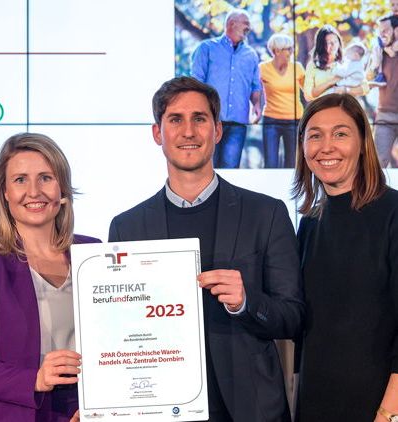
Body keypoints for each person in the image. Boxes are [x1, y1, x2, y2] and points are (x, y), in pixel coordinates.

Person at [108, 76, 304, 421]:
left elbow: (292, 318)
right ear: (157, 133)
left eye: (199, 119)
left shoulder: (266, 214)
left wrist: (246, 302)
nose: (188, 131)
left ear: (218, 131)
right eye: (175, 119)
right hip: (161, 409)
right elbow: (119, 330)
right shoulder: (127, 227)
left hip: (251, 409)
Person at [0, 133, 99, 421]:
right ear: (4, 192)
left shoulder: (93, 253)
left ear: (62, 187)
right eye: (20, 180)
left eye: (46, 178)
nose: (34, 191)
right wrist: (36, 379)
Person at [292, 93, 398, 421]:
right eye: (315, 136)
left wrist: (388, 412)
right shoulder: (310, 222)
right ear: (303, 147)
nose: (326, 147)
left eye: (340, 134)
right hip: (315, 404)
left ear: (363, 143)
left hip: (377, 407)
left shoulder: (393, 212)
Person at [191, 8, 262, 168]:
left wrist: (257, 104)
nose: (249, 28)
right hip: (210, 120)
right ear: (231, 23)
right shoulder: (206, 48)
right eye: (245, 23)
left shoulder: (251, 55)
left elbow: (255, 85)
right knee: (208, 168)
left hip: (238, 123)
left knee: (231, 172)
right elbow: (196, 83)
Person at [259, 33, 305, 168]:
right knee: (270, 164)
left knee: (292, 164)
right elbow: (254, 89)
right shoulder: (263, 68)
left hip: (294, 121)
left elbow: (309, 92)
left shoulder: (297, 67)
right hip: (271, 120)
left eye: (292, 48)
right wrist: (255, 108)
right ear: (277, 51)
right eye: (288, 49)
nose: (292, 52)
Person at [303, 25, 368, 101]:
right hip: (323, 106)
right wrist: (331, 82)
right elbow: (308, 96)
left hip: (344, 105)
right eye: (329, 43)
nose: (333, 45)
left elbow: (365, 88)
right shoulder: (312, 66)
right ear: (321, 45)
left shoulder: (348, 61)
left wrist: (346, 90)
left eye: (335, 41)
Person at [373, 14, 398, 168]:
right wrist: (375, 65)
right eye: (380, 30)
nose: (382, 34)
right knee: (378, 162)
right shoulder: (379, 52)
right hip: (384, 116)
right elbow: (367, 79)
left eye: (386, 30)